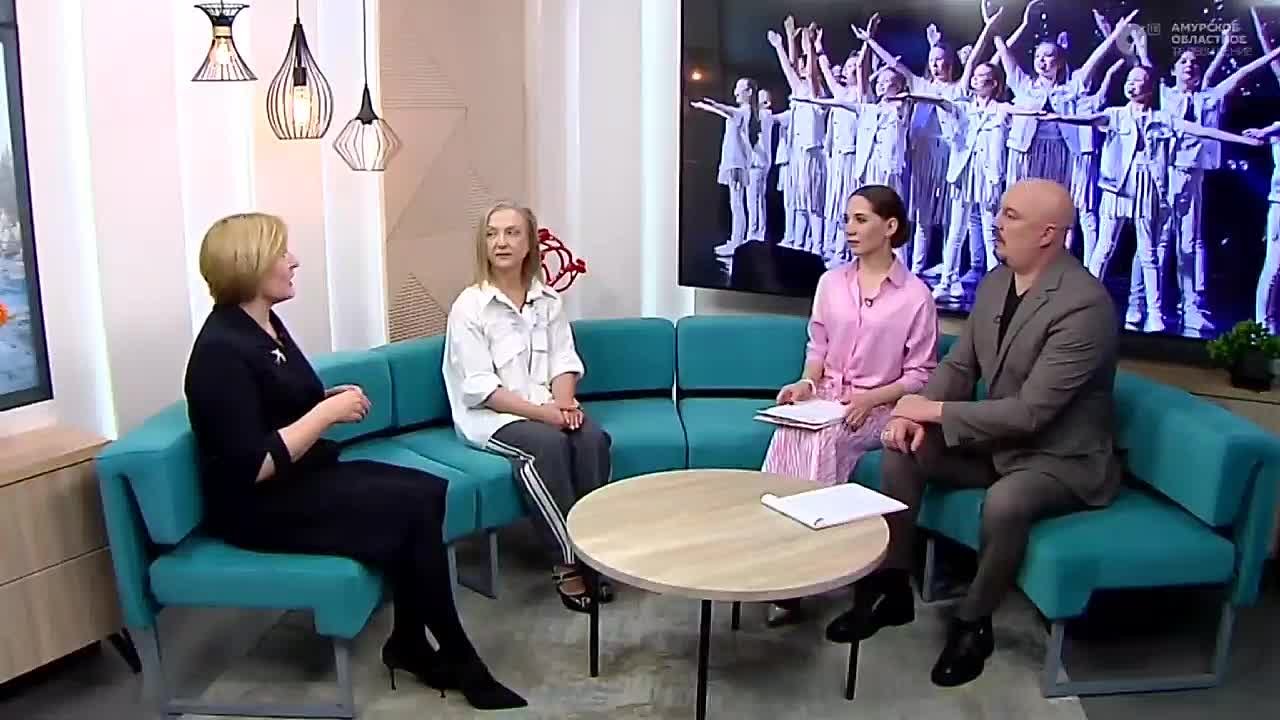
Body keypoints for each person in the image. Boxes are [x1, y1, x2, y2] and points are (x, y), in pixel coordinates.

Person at [183, 213, 525, 711]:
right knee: (408, 511)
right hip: (258, 505)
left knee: (428, 491)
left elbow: (275, 406)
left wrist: (325, 400)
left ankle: (409, 641)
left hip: (302, 476)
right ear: (249, 265)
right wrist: (325, 414)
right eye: (281, 254)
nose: (293, 262)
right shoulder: (220, 350)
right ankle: (459, 658)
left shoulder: (264, 325)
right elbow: (251, 465)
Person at [824, 179, 1123, 688]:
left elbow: (1032, 413)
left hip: (1058, 457)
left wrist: (931, 408)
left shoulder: (1085, 307)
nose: (997, 223)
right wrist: (911, 416)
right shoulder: (995, 282)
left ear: (1048, 234)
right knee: (902, 448)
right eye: (1000, 212)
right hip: (998, 443)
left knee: (1006, 501)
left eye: (1011, 216)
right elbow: (960, 366)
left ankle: (973, 623)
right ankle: (891, 587)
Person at [761, 184, 939, 625]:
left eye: (860, 220)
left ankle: (816, 567)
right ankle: (778, 560)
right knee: (791, 431)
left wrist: (871, 398)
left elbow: (920, 374)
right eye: (846, 220)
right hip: (826, 399)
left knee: (825, 441)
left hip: (878, 408)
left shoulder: (915, 296)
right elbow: (817, 347)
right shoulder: (830, 283)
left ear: (890, 226)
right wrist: (805, 383)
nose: (849, 229)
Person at [443, 201, 613, 615]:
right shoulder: (469, 307)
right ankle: (567, 561)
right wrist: (546, 416)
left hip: (545, 406)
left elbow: (563, 360)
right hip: (492, 417)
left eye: (511, 232)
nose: (500, 242)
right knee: (547, 446)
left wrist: (565, 404)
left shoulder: (548, 300)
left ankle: (597, 550)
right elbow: (482, 389)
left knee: (591, 438)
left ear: (529, 243)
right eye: (491, 234)